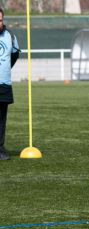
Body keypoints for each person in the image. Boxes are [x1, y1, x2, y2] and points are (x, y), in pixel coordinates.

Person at [0, 8, 20, 160]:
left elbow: (14, 54)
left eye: (0, 20)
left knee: (1, 118)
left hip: (4, 84)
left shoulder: (10, 36)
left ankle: (0, 149)